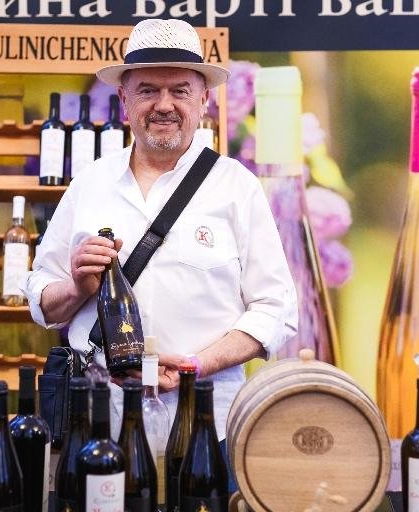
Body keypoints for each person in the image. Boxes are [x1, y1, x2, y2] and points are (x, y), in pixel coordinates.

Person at [22, 18, 297, 445]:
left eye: (180, 91)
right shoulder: (90, 184)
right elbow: (40, 298)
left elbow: (275, 309)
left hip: (206, 422)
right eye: (148, 90)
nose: (164, 105)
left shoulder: (237, 187)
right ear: (124, 99)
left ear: (203, 99)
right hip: (101, 422)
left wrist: (195, 366)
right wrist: (76, 288)